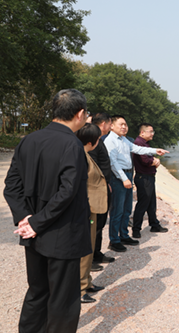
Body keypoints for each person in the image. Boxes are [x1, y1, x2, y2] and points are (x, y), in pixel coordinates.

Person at [4, 89, 91, 333]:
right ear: (80, 113)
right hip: (62, 233)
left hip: (34, 233)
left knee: (37, 291)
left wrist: (25, 219)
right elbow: (67, 192)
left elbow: (11, 186)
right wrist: (35, 223)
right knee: (63, 298)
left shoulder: (28, 140)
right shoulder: (72, 144)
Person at [104, 115, 167, 252]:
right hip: (118, 177)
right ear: (112, 126)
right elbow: (113, 162)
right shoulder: (110, 141)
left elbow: (137, 149)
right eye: (121, 124)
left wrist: (155, 150)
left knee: (127, 209)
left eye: (125, 124)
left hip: (127, 175)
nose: (124, 127)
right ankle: (114, 240)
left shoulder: (124, 140)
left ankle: (124, 235)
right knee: (117, 211)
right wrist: (124, 178)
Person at [75, 123, 108, 303]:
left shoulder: (83, 154)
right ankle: (79, 289)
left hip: (92, 209)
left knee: (90, 245)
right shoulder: (80, 156)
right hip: (86, 209)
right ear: (93, 141)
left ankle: (87, 282)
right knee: (84, 249)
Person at [131, 123, 169, 238]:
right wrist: (155, 161)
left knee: (152, 202)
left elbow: (149, 158)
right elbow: (145, 161)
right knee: (143, 203)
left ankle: (154, 225)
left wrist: (154, 160)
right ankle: (136, 229)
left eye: (153, 132)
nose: (152, 134)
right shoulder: (139, 143)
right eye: (150, 131)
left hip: (148, 176)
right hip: (143, 177)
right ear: (142, 132)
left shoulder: (145, 143)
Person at [89, 113, 115, 269]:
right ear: (105, 124)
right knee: (93, 224)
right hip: (97, 188)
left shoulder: (99, 139)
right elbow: (93, 165)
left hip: (104, 186)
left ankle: (96, 252)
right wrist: (102, 183)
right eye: (110, 124)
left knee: (100, 223)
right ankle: (89, 258)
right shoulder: (92, 138)